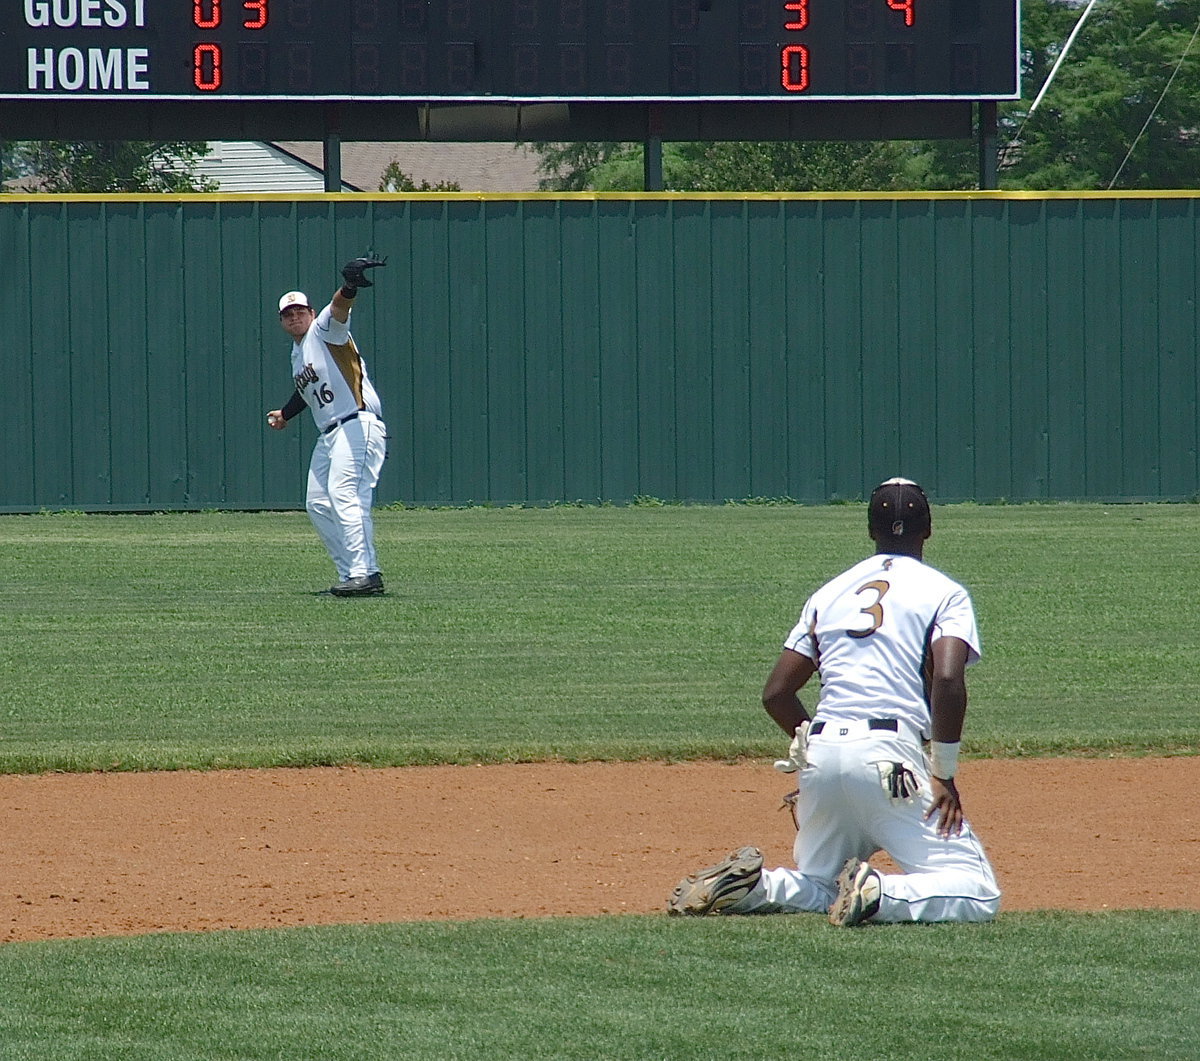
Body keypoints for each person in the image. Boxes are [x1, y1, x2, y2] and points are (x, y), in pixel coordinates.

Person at [667, 477, 1001, 926]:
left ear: (870, 530)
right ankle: (880, 891)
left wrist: (812, 750)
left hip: (821, 756)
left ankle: (756, 888)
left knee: (819, 883)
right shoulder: (945, 592)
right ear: (928, 529)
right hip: (889, 759)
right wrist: (944, 772)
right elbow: (946, 679)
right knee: (976, 891)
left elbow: (777, 694)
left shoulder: (829, 593)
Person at [267, 253, 389, 597]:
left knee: (345, 494)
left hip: (356, 424)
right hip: (330, 434)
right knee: (318, 502)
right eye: (287, 314)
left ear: (310, 312)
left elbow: (340, 309)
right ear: (281, 321)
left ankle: (366, 572)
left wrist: (349, 285)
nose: (294, 317)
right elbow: (305, 391)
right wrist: (285, 413)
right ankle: (352, 572)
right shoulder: (298, 354)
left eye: (299, 311)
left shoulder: (323, 330)